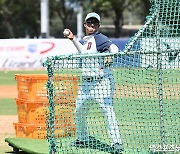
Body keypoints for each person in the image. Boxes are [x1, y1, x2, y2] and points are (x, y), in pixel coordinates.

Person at [63, 12, 124, 153]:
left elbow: (114, 48)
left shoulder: (99, 38)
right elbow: (83, 53)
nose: (92, 25)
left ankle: (117, 143)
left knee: (107, 111)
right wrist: (73, 40)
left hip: (101, 82)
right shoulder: (88, 41)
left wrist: (111, 55)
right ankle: (83, 138)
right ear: (85, 24)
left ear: (98, 26)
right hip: (86, 84)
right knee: (79, 111)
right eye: (89, 22)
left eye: (95, 23)